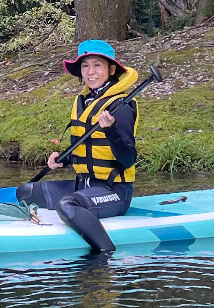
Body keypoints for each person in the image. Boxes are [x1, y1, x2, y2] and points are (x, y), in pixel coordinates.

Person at [15, 40, 138, 253]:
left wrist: (110, 130)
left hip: (115, 191)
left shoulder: (121, 107)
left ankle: (105, 256)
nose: (90, 72)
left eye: (97, 65)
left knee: (67, 205)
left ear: (111, 69)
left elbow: (128, 159)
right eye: (85, 66)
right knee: (25, 192)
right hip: (84, 186)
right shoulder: (84, 101)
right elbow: (88, 150)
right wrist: (63, 160)